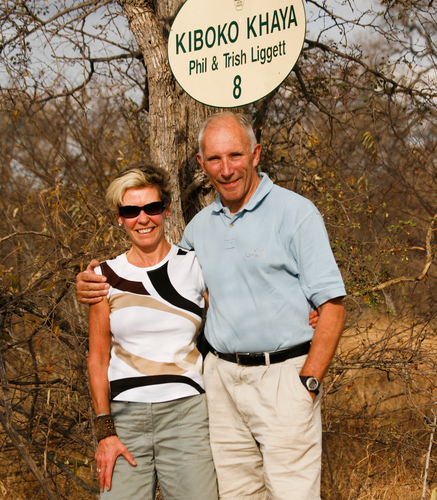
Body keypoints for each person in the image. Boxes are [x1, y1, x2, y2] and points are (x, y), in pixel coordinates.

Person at [78, 112, 346, 500]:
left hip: (283, 377)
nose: (227, 169)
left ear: (256, 155)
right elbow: (194, 298)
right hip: (219, 382)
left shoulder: (295, 212)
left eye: (235, 155)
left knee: (293, 493)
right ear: (202, 166)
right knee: (237, 493)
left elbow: (333, 305)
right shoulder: (199, 229)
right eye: (215, 160)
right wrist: (85, 281)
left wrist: (309, 381)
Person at [87, 165, 217, 500]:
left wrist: (304, 310)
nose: (143, 218)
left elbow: (235, 313)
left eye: (152, 208)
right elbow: (98, 359)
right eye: (131, 210)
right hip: (125, 418)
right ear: (120, 217)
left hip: (187, 414)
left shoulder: (195, 266)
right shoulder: (103, 276)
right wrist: (105, 432)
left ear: (167, 210)